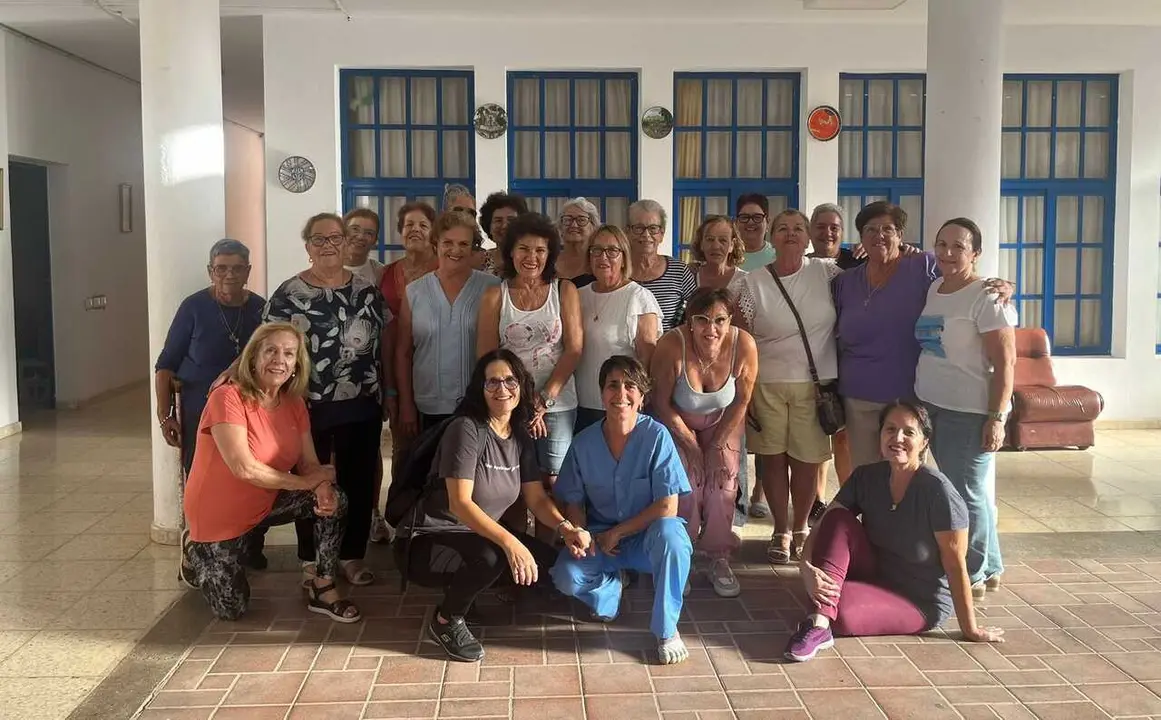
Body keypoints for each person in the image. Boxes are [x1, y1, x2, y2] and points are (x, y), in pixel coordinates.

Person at [398, 349, 591, 662]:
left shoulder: (519, 435)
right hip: (427, 541)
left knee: (548, 562)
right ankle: (446, 620)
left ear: (522, 385)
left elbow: (536, 498)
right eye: (492, 383)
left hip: (474, 537)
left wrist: (565, 528)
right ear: (480, 389)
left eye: (510, 380)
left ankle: (472, 594)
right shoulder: (467, 429)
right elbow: (460, 503)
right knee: (492, 557)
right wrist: (511, 543)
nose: (502, 389)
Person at [783, 401, 1004, 662]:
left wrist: (970, 628)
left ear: (924, 442)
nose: (897, 438)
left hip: (918, 599)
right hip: (875, 575)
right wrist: (806, 569)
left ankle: (823, 614)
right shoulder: (866, 476)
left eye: (908, 432)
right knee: (837, 518)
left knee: (841, 610)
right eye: (890, 429)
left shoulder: (939, 492)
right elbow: (823, 526)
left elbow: (956, 566)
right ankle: (819, 625)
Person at [181, 322, 361, 624]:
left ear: (296, 365)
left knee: (334, 500)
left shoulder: (294, 402)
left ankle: (323, 585)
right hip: (219, 514)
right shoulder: (227, 397)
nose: (280, 360)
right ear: (253, 357)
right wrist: (308, 481)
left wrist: (320, 486)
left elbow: (308, 462)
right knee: (232, 609)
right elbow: (244, 468)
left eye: (289, 354)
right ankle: (194, 551)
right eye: (271, 351)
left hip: (265, 502)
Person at [831, 201, 1012, 469]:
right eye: (870, 229)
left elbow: (962, 276)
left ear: (900, 236)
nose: (878, 235)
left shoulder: (923, 267)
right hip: (859, 397)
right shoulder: (845, 282)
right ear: (860, 238)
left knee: (908, 473)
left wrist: (1002, 285)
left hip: (908, 396)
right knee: (867, 474)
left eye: (887, 229)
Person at [264, 213, 388, 587]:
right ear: (308, 247)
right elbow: (266, 344)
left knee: (359, 479)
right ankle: (311, 559)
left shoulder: (367, 291)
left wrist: (392, 393)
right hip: (306, 405)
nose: (329, 245)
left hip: (360, 401)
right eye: (319, 239)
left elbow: (387, 343)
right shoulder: (289, 293)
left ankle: (351, 556)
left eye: (336, 237)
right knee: (309, 479)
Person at [552, 356, 694, 666]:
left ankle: (667, 630)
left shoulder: (657, 437)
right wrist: (581, 533)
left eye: (630, 386)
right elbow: (573, 499)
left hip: (645, 539)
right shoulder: (583, 443)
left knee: (672, 536)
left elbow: (668, 506)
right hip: (603, 542)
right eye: (612, 385)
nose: (621, 394)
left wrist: (618, 532)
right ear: (602, 393)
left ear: (642, 397)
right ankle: (609, 586)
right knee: (565, 576)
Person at [916, 218, 1017, 596]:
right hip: (931, 404)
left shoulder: (988, 296)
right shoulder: (935, 288)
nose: (947, 252)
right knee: (960, 489)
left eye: (958, 246)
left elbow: (1007, 363)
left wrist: (997, 417)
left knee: (968, 492)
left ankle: (972, 571)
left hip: (969, 410)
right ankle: (990, 564)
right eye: (941, 244)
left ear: (975, 253)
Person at [736, 209, 842, 564]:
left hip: (815, 387)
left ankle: (801, 527)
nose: (791, 234)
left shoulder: (827, 273)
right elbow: (742, 338)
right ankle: (780, 529)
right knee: (772, 461)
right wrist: (744, 390)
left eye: (798, 228)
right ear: (772, 237)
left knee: (808, 461)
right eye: (783, 228)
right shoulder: (752, 281)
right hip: (766, 383)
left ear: (809, 236)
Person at [155, 240, 266, 564]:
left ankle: (249, 545)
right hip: (200, 413)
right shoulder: (193, 307)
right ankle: (204, 548)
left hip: (249, 412)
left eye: (236, 268)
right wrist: (166, 416)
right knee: (205, 482)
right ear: (210, 271)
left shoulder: (261, 308)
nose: (228, 275)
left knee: (250, 478)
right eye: (221, 268)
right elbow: (165, 366)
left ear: (248, 271)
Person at [476, 213, 582, 531]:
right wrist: (519, 402)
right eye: (524, 249)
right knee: (512, 481)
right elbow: (487, 356)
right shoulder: (495, 295)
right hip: (507, 402)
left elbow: (574, 348)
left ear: (550, 254)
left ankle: (548, 557)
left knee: (554, 481)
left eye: (540, 250)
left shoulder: (564, 291)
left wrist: (544, 399)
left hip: (558, 403)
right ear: (510, 252)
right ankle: (518, 557)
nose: (531, 257)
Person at [651, 288, 757, 597]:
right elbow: (661, 402)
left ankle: (718, 556)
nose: (711, 330)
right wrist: (693, 447)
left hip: (722, 423)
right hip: (677, 420)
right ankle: (682, 557)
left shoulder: (744, 345)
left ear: (730, 320)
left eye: (720, 321)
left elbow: (742, 401)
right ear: (690, 320)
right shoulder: (672, 345)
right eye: (702, 320)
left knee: (721, 482)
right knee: (687, 483)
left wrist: (713, 447)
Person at [396, 210, 501, 438]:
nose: (456, 250)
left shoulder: (491, 288)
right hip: (428, 404)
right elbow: (403, 352)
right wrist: (406, 404)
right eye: (448, 243)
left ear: (473, 247)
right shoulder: (415, 291)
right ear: (435, 244)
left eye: (464, 243)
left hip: (478, 404)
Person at [574, 226, 661, 433]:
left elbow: (647, 359)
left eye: (612, 251)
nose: (603, 257)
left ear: (624, 256)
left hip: (621, 405)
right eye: (596, 250)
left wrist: (637, 401)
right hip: (579, 405)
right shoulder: (576, 295)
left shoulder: (638, 297)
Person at [628, 199, 698, 332]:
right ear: (628, 232)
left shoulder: (679, 271)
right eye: (638, 228)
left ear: (662, 234)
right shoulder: (617, 271)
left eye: (653, 228)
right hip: (623, 351)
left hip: (670, 349)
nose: (646, 235)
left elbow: (696, 314)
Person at [479, 191, 529, 275]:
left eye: (511, 220)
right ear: (489, 227)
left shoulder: (531, 259)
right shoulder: (479, 260)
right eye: (498, 220)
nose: (504, 226)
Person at [555, 197, 600, 287]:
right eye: (568, 220)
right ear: (560, 226)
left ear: (593, 227)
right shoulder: (549, 261)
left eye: (581, 220)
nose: (574, 225)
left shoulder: (599, 262)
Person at [343, 207, 386, 285]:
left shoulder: (381, 274)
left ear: (375, 240)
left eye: (369, 233)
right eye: (355, 229)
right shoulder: (321, 270)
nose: (360, 237)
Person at [736, 193, 775, 271]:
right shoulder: (727, 256)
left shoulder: (777, 256)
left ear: (767, 222)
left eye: (757, 217)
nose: (750, 222)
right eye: (744, 217)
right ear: (736, 222)